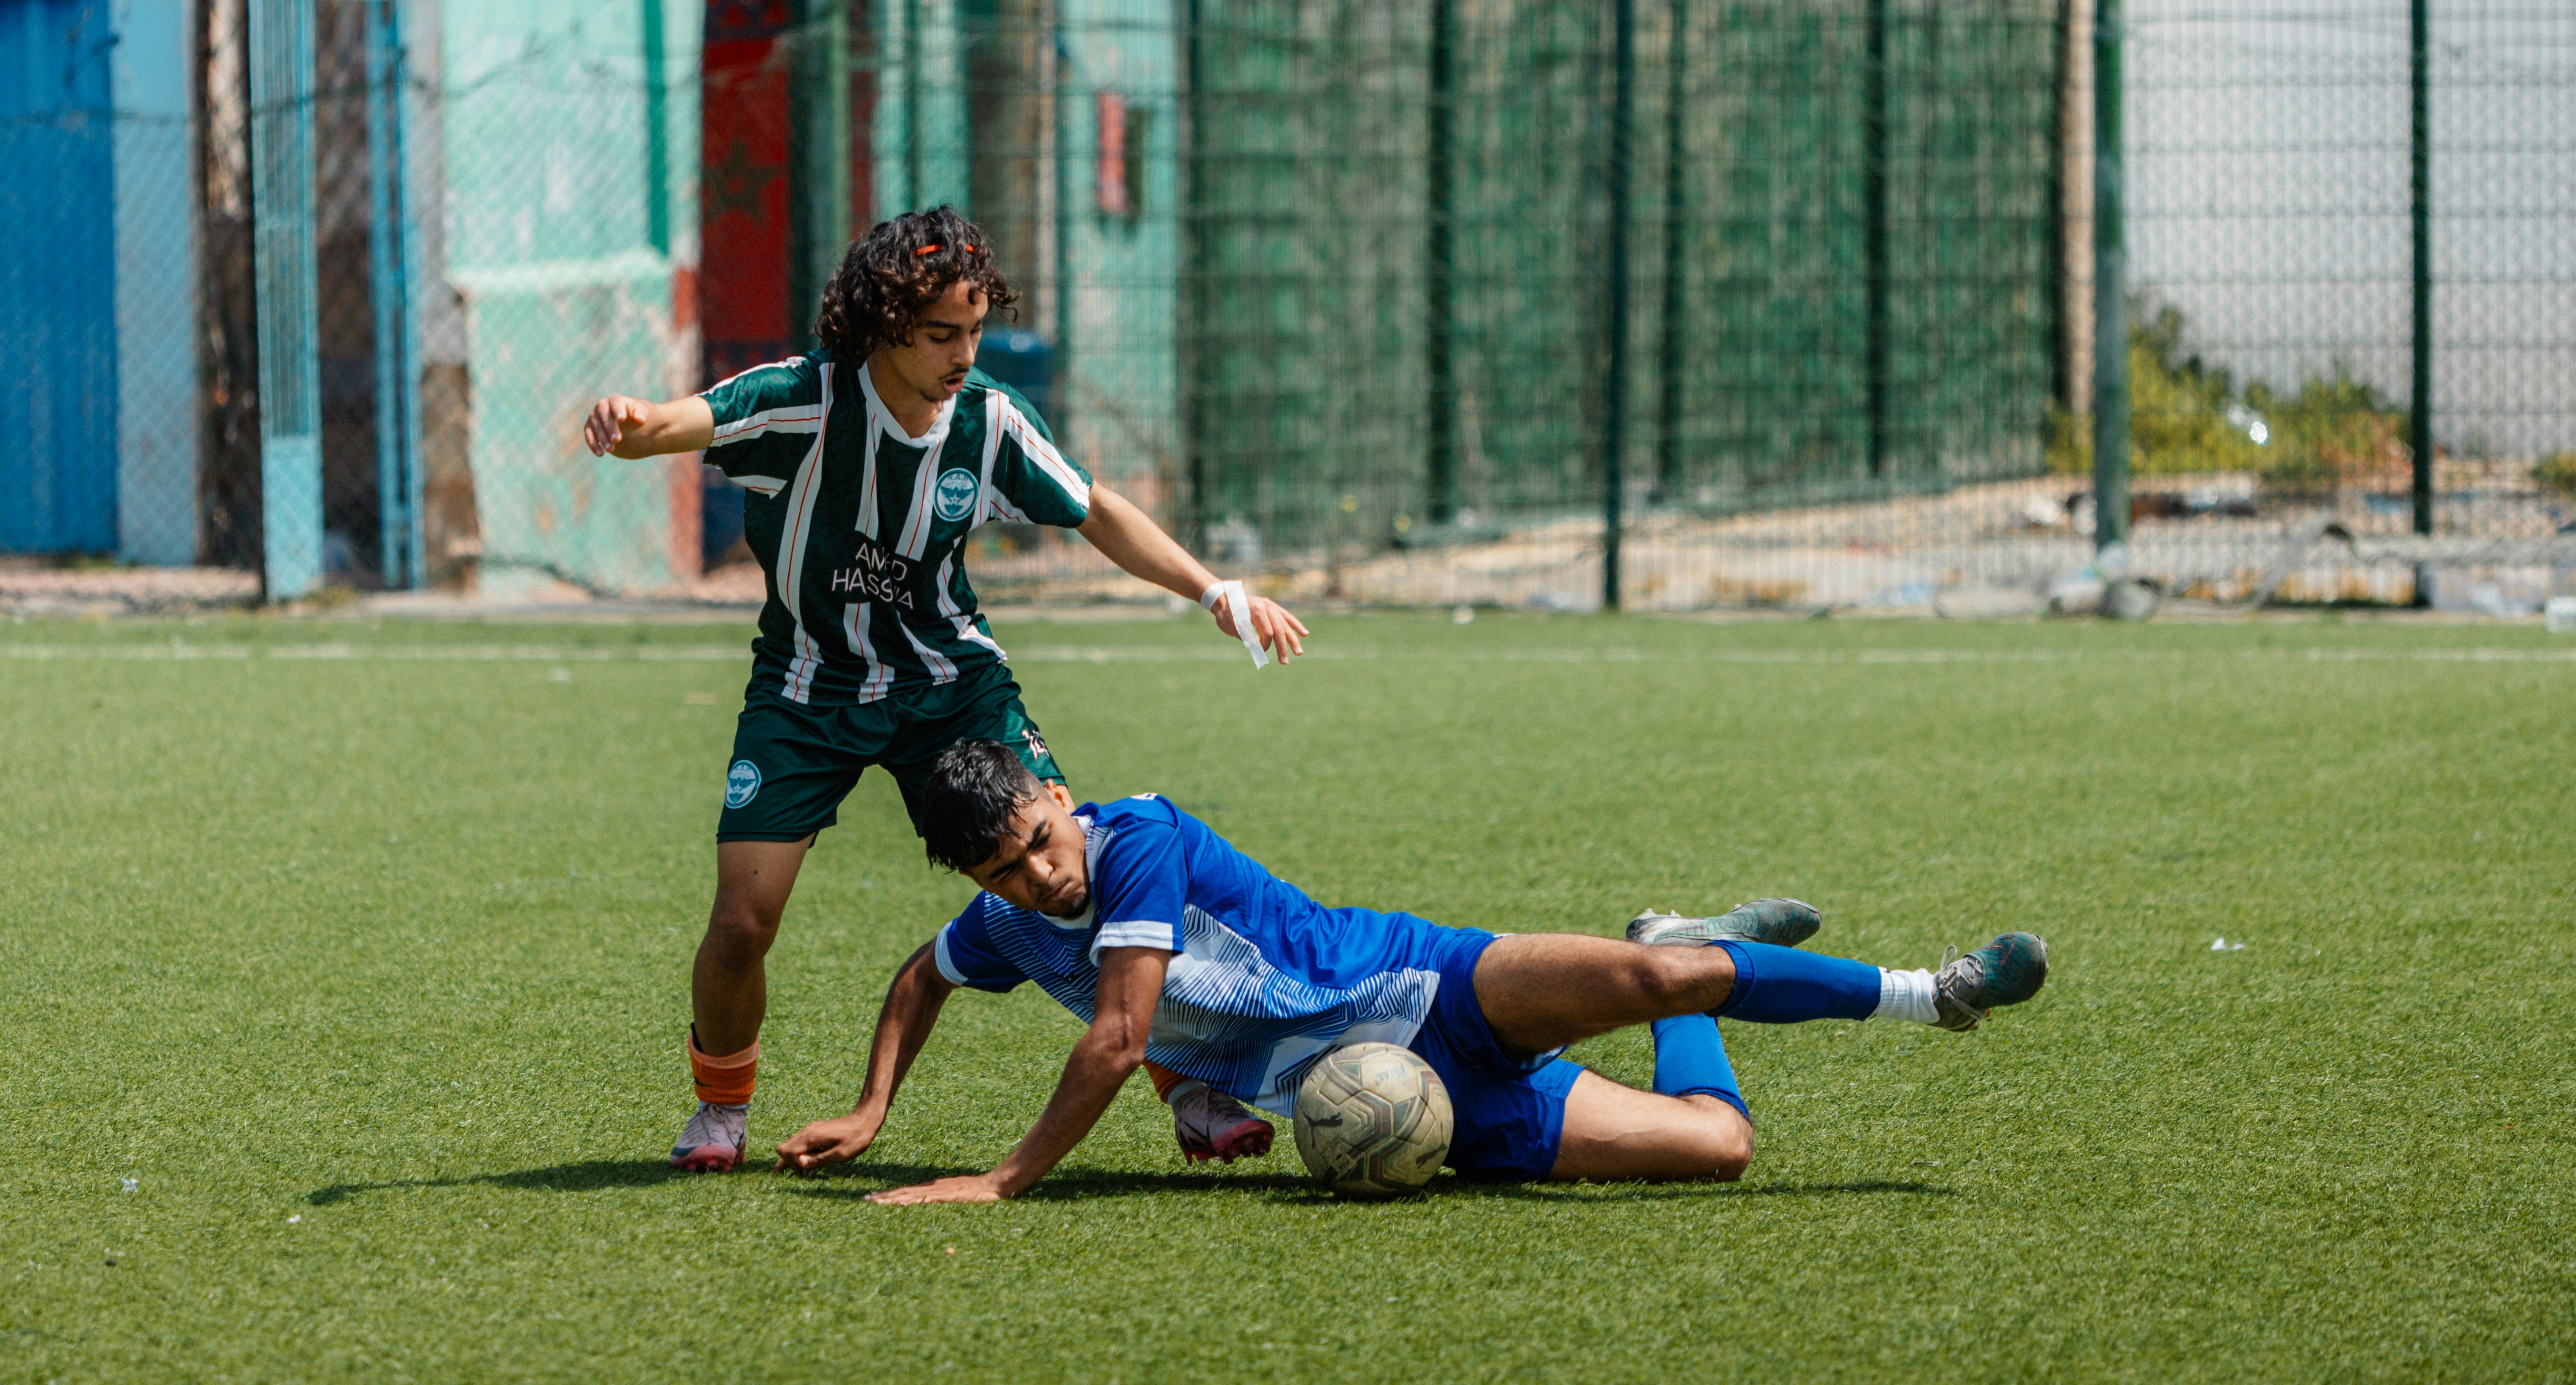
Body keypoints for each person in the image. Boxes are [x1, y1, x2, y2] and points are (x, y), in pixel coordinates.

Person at [581, 207, 1308, 1173]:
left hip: (952, 688)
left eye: (974, 330)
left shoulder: (990, 419)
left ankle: (1190, 1087)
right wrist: (627, 423)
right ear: (882, 323)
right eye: (940, 334)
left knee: (1069, 873)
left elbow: (1094, 509)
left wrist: (1213, 590)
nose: (964, 354)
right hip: (806, 690)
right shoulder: (802, 401)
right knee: (742, 923)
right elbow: (675, 423)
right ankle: (722, 1108)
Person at [771, 740, 2051, 1200]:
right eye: (1004, 871)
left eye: (1038, 840)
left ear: (1057, 795)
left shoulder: (1138, 838)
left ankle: (1930, 991)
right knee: (1719, 1149)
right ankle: (1673, 937)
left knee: (1668, 987)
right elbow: (922, 973)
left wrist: (1002, 1179)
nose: (1039, 876)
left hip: (1421, 982)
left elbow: (1116, 1035)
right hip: (1397, 1093)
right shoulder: (1003, 924)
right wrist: (872, 1104)